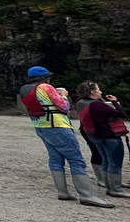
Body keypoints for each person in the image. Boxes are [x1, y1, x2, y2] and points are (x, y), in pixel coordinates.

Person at [20, 66, 112, 207]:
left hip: (41, 127)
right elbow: (64, 107)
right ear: (45, 77)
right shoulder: (46, 87)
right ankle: (87, 195)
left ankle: (63, 192)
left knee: (55, 159)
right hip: (58, 126)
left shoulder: (25, 89)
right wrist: (62, 95)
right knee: (76, 160)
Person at [75, 81, 130, 198]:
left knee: (105, 161)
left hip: (94, 136)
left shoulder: (80, 102)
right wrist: (115, 101)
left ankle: (109, 186)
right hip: (109, 136)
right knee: (115, 163)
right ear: (92, 92)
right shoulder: (97, 105)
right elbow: (121, 113)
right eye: (98, 89)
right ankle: (115, 189)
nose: (100, 91)